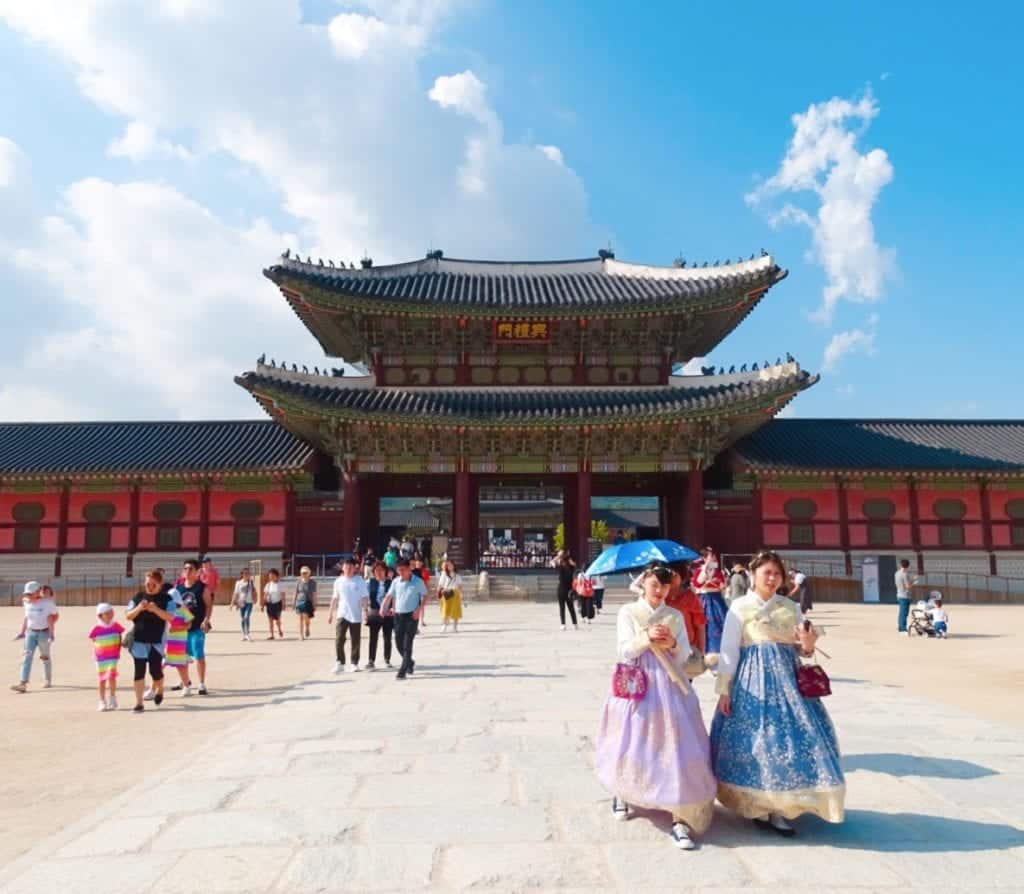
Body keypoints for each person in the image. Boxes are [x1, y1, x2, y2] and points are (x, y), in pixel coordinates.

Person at [710, 549, 845, 836]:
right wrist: (724, 690)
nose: (771, 579)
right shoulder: (740, 607)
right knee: (758, 741)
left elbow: (803, 651)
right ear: (753, 575)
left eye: (776, 574)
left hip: (788, 682)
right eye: (766, 573)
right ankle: (759, 804)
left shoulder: (790, 607)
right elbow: (729, 651)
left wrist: (808, 643)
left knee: (788, 741)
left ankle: (781, 807)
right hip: (752, 682)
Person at [595, 563, 716, 851]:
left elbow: (684, 654)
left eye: (664, 586)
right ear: (643, 583)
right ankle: (623, 790)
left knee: (675, 740)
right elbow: (623, 650)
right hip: (637, 681)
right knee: (631, 737)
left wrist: (672, 642)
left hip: (670, 681)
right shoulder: (628, 612)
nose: (659, 591)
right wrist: (645, 638)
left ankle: (679, 808)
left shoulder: (674, 615)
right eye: (654, 584)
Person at [125, 570, 174, 713]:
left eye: (153, 584)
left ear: (160, 584)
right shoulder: (138, 597)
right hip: (139, 639)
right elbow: (128, 616)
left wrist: (155, 609)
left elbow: (170, 617)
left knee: (155, 671)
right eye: (147, 584)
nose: (150, 587)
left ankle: (160, 688)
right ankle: (139, 703)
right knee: (139, 671)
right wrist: (139, 608)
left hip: (156, 641)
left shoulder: (167, 599)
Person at [380, 558, 428, 680]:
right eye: (399, 570)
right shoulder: (396, 581)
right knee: (398, 643)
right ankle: (409, 662)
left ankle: (403, 670)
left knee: (407, 644)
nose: (401, 572)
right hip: (398, 615)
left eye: (403, 570)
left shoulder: (417, 581)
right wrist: (383, 607)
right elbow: (389, 596)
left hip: (412, 616)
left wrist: (419, 609)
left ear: (409, 569)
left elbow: (425, 596)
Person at [10, 581, 59, 693]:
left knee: (45, 657)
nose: (28, 596)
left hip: (44, 634)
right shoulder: (26, 602)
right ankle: (23, 683)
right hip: (30, 633)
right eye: (27, 594)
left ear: (37, 592)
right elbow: (26, 617)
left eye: (30, 593)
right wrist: (22, 632)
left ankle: (47, 679)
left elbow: (55, 615)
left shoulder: (47, 603)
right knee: (26, 657)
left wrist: (51, 632)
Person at [328, 557, 369, 673]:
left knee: (355, 640)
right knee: (339, 639)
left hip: (355, 614)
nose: (349, 568)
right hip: (342, 614)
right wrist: (330, 613)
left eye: (351, 566)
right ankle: (340, 662)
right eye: (346, 566)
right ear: (343, 567)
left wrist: (365, 611)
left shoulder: (359, 581)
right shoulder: (338, 581)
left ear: (355, 568)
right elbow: (335, 598)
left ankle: (354, 663)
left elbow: (365, 597)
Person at [178, 559, 211, 695]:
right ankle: (186, 683)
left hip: (197, 627)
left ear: (197, 572)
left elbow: (208, 605)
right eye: (185, 568)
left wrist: (206, 620)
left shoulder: (202, 587)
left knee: (199, 655)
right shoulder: (178, 588)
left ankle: (201, 683)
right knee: (182, 657)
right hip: (182, 629)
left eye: (190, 568)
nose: (187, 571)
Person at [665, 564, 707, 662]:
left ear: (682, 576)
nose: (670, 578)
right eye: (667, 574)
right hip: (664, 649)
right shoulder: (659, 597)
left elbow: (700, 626)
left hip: (687, 649)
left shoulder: (689, 597)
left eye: (674, 575)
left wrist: (701, 651)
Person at [692, 548, 728, 658]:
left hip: (716, 599)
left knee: (720, 623)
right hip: (704, 599)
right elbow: (697, 583)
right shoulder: (699, 570)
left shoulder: (718, 571)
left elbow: (723, 585)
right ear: (704, 558)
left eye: (714, 556)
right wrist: (705, 572)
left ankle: (719, 649)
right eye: (711, 556)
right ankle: (704, 649)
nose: (714, 558)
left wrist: (720, 584)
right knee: (704, 624)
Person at [89, 603, 124, 711]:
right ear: (100, 615)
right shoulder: (96, 628)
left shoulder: (116, 625)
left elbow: (121, 636)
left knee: (112, 677)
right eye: (107, 613)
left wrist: (118, 649)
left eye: (111, 612)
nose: (110, 615)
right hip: (101, 659)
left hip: (113, 657)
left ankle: (112, 698)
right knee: (102, 679)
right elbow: (93, 639)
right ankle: (102, 701)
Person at [163, 587, 195, 696]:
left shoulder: (183, 609)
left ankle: (187, 686)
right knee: (159, 666)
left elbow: (189, 624)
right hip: (166, 642)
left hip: (179, 642)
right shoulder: (165, 609)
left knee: (180, 665)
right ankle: (155, 688)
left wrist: (177, 629)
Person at [366, 562, 394, 669]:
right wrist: (365, 610)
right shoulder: (369, 582)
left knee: (387, 637)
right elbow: (365, 597)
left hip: (387, 613)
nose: (379, 572)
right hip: (374, 612)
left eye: (381, 570)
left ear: (385, 571)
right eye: (376, 570)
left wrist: (393, 608)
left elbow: (394, 597)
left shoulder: (391, 583)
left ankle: (387, 659)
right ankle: (371, 660)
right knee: (373, 638)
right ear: (373, 572)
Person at [551, 550, 578, 630]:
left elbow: (551, 562)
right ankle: (575, 624)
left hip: (561, 589)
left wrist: (558, 556)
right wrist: (568, 558)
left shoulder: (560, 567)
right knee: (571, 607)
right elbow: (574, 564)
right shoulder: (571, 568)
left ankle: (563, 624)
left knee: (562, 607)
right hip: (569, 590)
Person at [436, 559, 464, 633]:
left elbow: (460, 586)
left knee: (455, 610)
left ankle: (455, 627)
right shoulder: (444, 574)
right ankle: (444, 626)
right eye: (448, 565)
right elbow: (440, 584)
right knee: (445, 610)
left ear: (454, 566)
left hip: (455, 593)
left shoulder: (457, 575)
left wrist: (461, 594)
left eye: (451, 565)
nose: (450, 566)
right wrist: (438, 592)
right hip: (446, 594)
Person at [232, 567, 256, 641]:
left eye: (248, 573)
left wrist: (255, 599)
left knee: (246, 617)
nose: (246, 575)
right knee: (242, 619)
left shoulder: (251, 582)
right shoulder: (238, 583)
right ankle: (244, 634)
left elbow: (254, 591)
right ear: (242, 574)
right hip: (241, 602)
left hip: (249, 602)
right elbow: (235, 593)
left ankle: (247, 633)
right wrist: (232, 603)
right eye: (245, 573)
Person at [895, 559, 918, 635]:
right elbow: (907, 586)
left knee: (902, 613)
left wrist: (912, 579)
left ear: (901, 565)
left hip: (899, 594)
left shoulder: (897, 573)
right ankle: (902, 629)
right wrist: (914, 582)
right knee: (904, 613)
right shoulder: (905, 574)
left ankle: (900, 628)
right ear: (908, 566)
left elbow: (902, 583)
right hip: (905, 596)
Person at [294, 566, 317, 640]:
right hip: (299, 601)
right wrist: (294, 602)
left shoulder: (312, 582)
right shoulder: (298, 582)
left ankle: (307, 627)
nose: (304, 574)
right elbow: (296, 592)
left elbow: (314, 594)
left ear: (309, 573)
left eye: (305, 573)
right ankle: (301, 635)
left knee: (306, 617)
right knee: (300, 618)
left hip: (308, 601)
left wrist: (314, 604)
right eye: (303, 573)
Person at [262, 568, 285, 639]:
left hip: (278, 604)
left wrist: (283, 604)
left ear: (276, 576)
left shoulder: (280, 585)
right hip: (269, 604)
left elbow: (283, 595)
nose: (271, 577)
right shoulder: (268, 585)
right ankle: (272, 635)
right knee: (270, 620)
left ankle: (279, 629)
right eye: (270, 575)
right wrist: (263, 604)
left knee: (277, 620)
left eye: (272, 575)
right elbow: (265, 595)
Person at [199, 555, 221, 626]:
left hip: (210, 592)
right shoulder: (200, 571)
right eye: (203, 562)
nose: (204, 563)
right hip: (201, 592)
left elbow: (218, 582)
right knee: (201, 607)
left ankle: (206, 621)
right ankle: (203, 621)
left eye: (206, 562)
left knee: (209, 607)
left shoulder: (214, 571)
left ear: (209, 563)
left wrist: (216, 591)